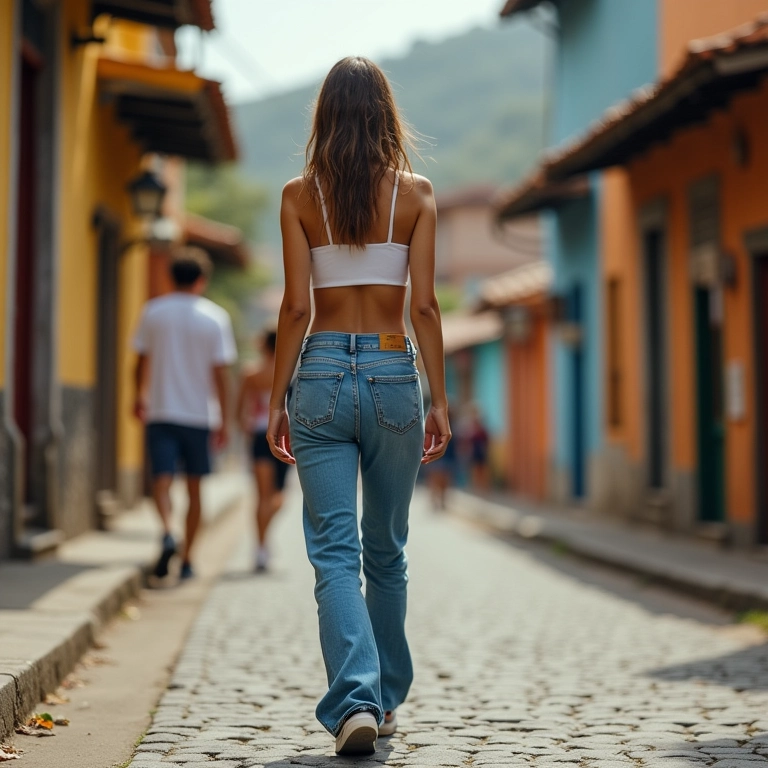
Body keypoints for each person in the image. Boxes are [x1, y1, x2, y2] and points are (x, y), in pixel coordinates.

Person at [266, 57, 451, 755]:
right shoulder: (416, 194)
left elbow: (295, 308)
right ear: (385, 114)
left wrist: (278, 399)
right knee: (387, 549)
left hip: (318, 373)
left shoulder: (298, 196)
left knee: (335, 553)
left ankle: (355, 702)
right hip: (393, 371)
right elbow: (425, 307)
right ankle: (387, 697)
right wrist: (439, 400)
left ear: (324, 115)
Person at [133, 246, 237, 581]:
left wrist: (139, 396)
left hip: (161, 411)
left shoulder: (153, 312)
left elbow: (140, 362)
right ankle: (188, 559)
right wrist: (224, 420)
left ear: (170, 277)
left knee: (161, 480)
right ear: (202, 280)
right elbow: (221, 375)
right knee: (195, 489)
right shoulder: (215, 317)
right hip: (199, 416)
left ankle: (167, 531)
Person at [236, 329, 290, 572]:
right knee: (277, 496)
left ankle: (261, 544)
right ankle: (261, 545)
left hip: (260, 435)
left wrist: (246, 428)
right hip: (283, 436)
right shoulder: (289, 372)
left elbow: (239, 410)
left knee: (264, 496)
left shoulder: (252, 374)